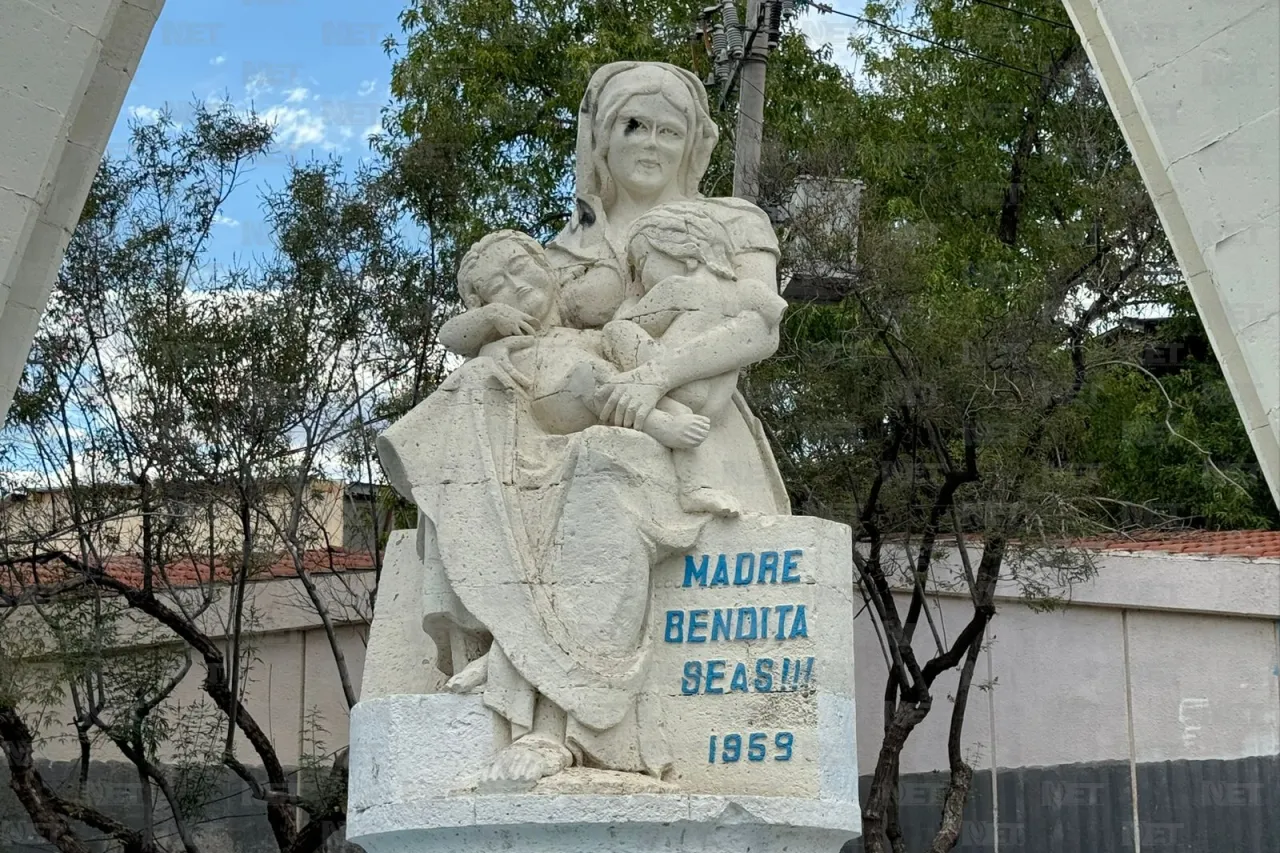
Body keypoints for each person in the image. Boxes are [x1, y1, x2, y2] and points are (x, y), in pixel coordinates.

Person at [370, 62, 791, 793]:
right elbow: (532, 341)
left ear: (695, 143)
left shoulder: (731, 224)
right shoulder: (559, 253)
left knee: (605, 470)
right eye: (633, 125)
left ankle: (566, 716)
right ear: (600, 137)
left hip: (689, 428)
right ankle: (496, 641)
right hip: (573, 423)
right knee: (481, 403)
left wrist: (652, 381)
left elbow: (757, 327)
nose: (650, 142)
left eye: (670, 128)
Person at [455, 228, 712, 450]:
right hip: (556, 400)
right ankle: (658, 424)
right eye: (497, 287)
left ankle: (671, 412)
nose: (516, 284)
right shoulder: (507, 343)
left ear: (543, 265)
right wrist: (491, 315)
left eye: (520, 267)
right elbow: (451, 337)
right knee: (587, 374)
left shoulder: (581, 323)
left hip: (606, 387)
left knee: (618, 347)